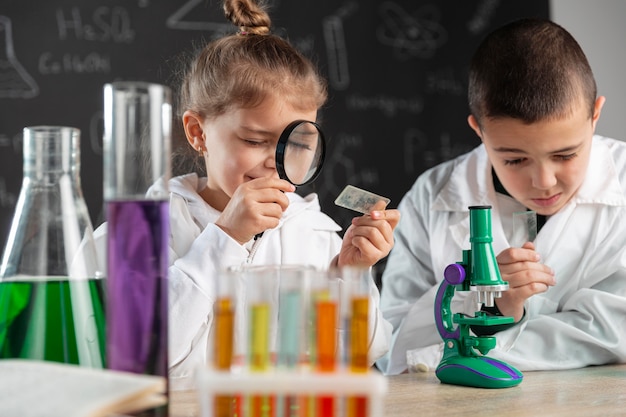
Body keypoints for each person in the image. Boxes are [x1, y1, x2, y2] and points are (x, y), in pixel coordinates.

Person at [136, 0, 399, 389]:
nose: (277, 164)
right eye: (255, 140)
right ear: (198, 132)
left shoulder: (315, 232)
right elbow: (139, 357)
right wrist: (223, 239)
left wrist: (351, 277)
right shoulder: (144, 229)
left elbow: (362, 356)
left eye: (298, 143)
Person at [376, 18, 626, 376]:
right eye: (514, 159)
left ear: (595, 116)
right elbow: (397, 347)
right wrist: (496, 308)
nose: (543, 181)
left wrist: (481, 329)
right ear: (479, 130)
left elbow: (615, 333)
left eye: (565, 155)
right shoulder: (430, 196)